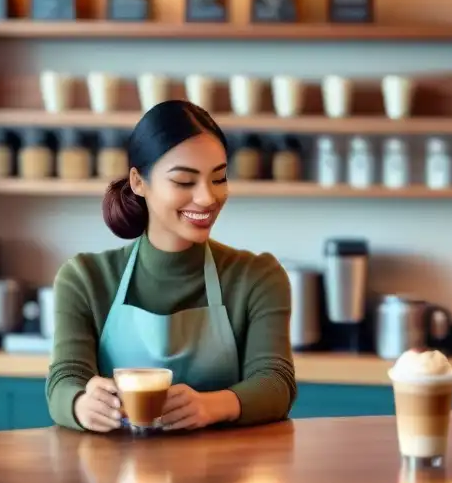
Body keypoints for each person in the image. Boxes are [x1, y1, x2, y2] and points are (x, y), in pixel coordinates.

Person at [46, 100, 297, 433]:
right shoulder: (84, 279)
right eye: (184, 181)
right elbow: (64, 381)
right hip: (116, 476)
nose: (207, 198)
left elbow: (276, 384)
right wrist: (81, 404)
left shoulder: (257, 277)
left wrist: (211, 406)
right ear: (138, 182)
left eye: (218, 178)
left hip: (225, 475)